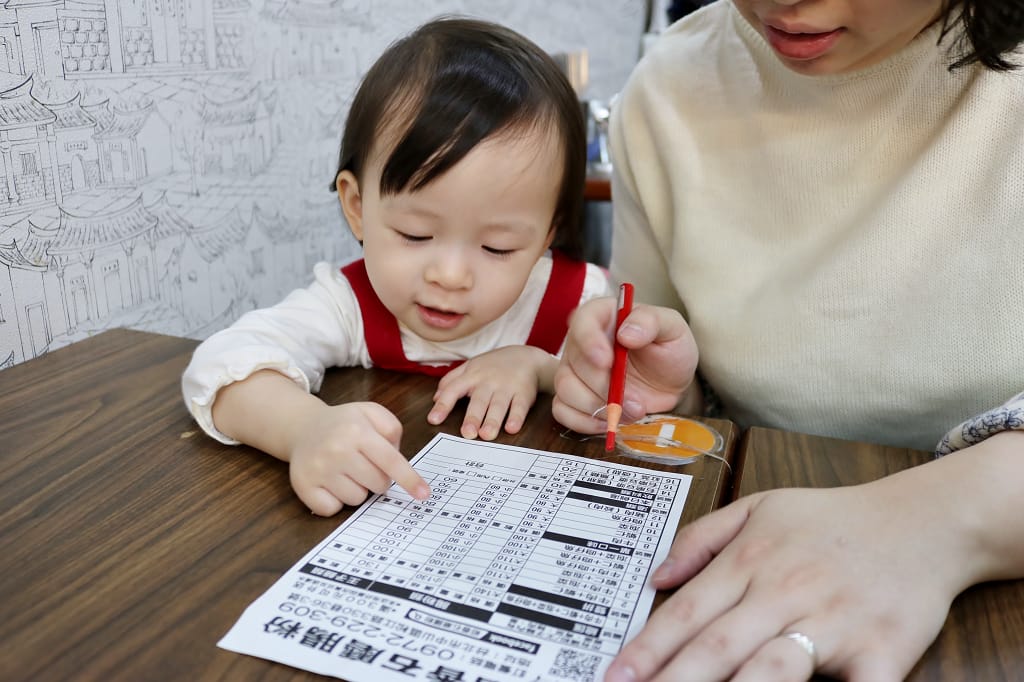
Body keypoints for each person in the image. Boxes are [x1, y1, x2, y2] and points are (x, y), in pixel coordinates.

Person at [552, 0, 1024, 680]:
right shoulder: (671, 87)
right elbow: (657, 347)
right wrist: (668, 385)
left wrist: (944, 520)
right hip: (740, 556)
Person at [182, 17, 611, 517]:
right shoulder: (349, 305)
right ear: (358, 205)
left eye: (498, 247)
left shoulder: (576, 301)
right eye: (415, 235)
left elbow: (641, 398)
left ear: (548, 233)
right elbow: (222, 365)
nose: (450, 276)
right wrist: (303, 429)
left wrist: (538, 367)